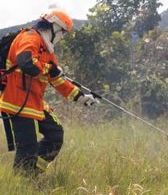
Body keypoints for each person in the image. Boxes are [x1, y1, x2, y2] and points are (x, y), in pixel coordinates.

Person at [0, 10, 96, 176]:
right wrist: (49, 69)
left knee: (55, 135)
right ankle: (23, 183)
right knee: (27, 148)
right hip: (17, 102)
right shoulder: (30, 37)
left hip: (34, 103)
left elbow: (57, 79)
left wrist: (80, 97)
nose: (62, 37)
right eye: (63, 33)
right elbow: (26, 63)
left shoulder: (47, 49)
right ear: (55, 27)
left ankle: (32, 174)